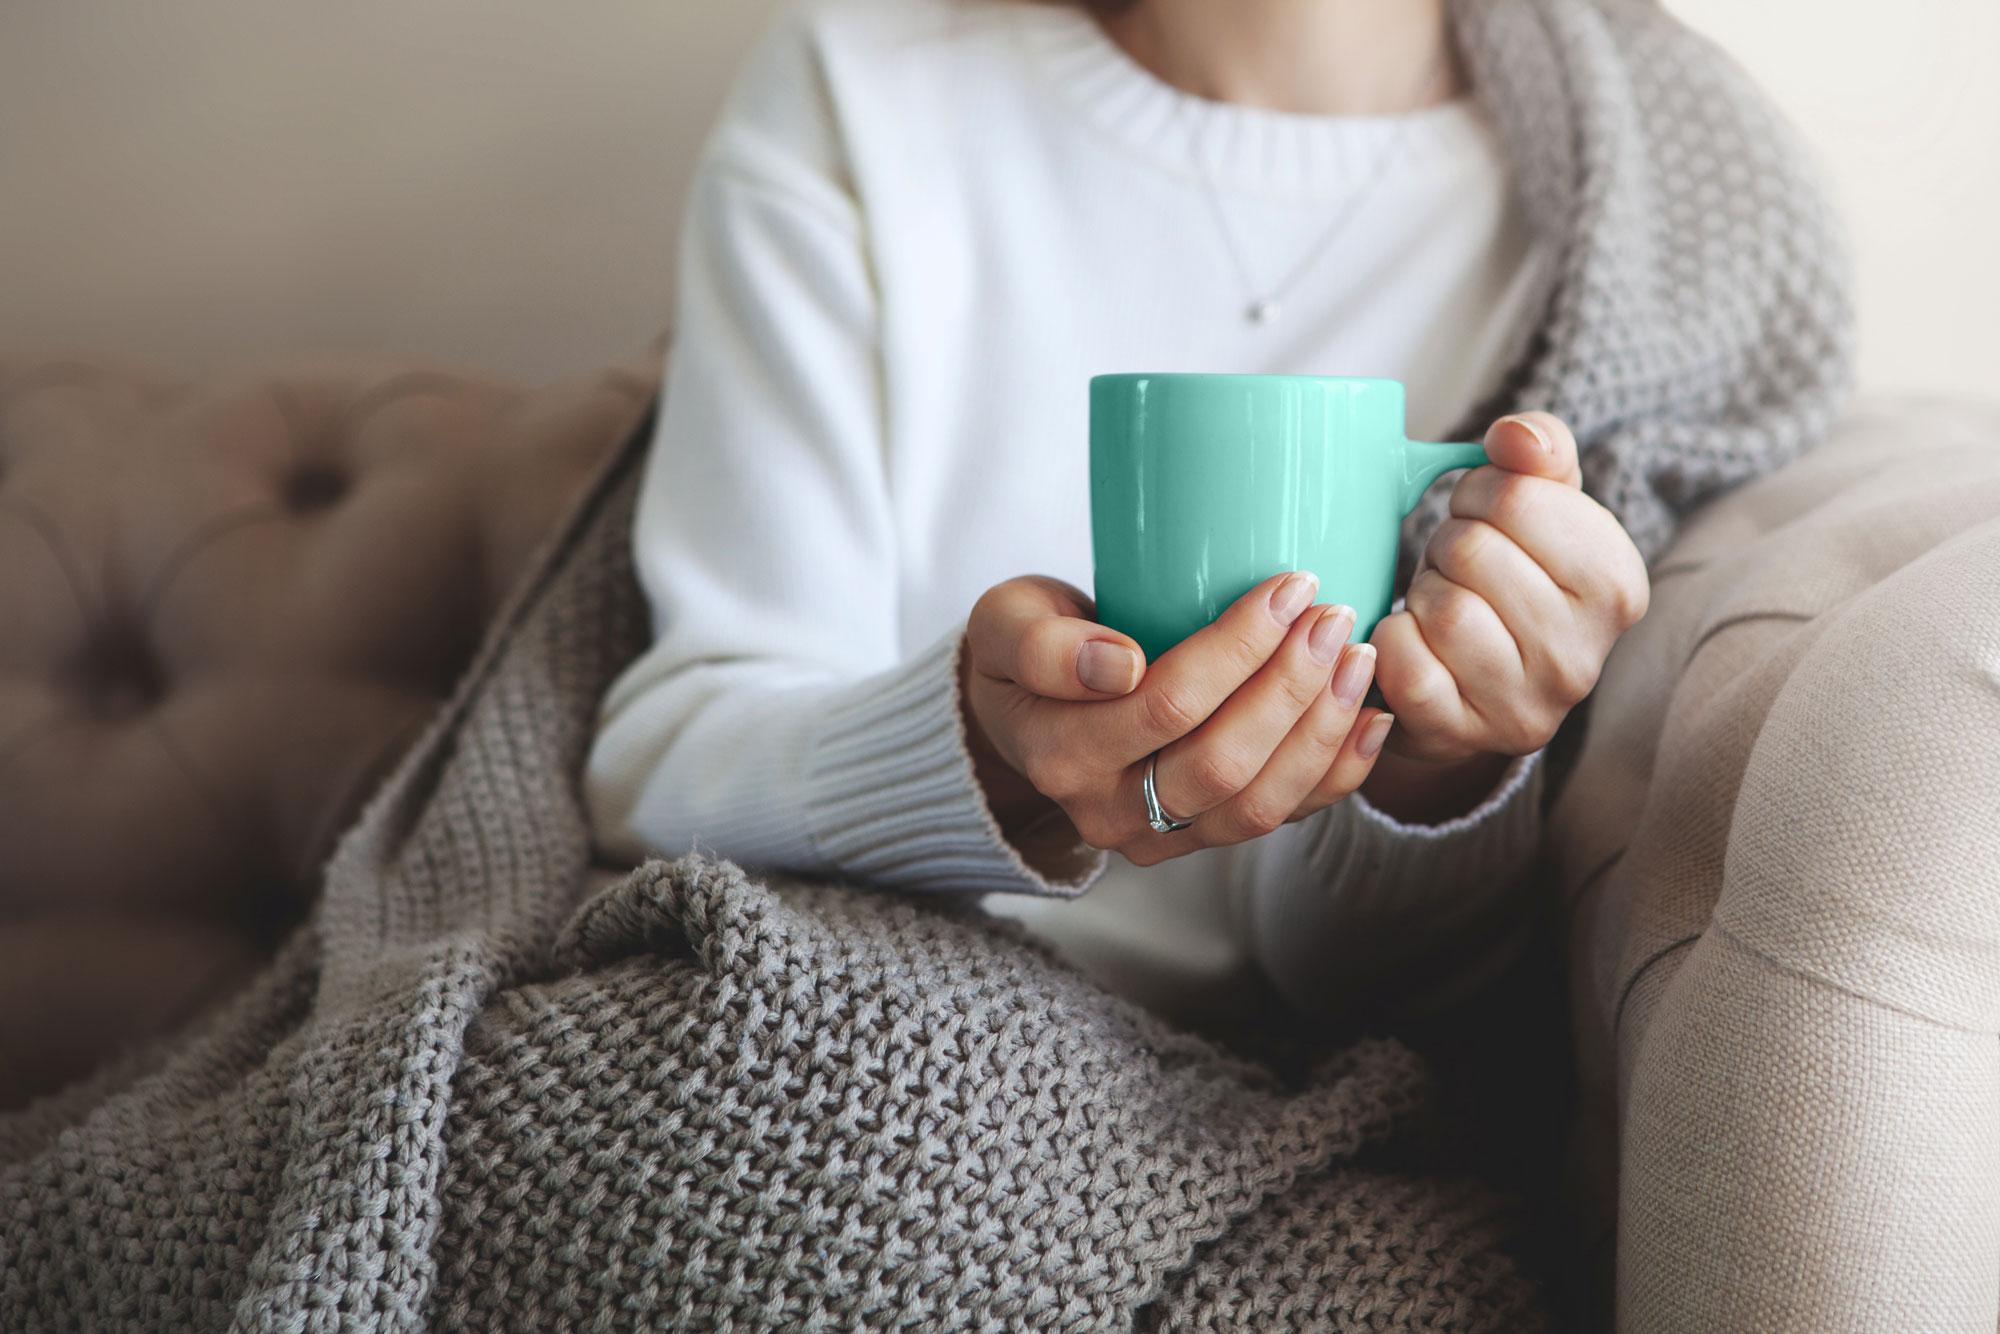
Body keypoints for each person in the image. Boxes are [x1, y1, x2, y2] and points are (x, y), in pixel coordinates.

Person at [584, 0, 1837, 1029]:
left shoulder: (1669, 225)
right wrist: (976, 753)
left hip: (1290, 1106)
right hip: (826, 1016)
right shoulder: (858, 93)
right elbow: (660, 763)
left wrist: (1431, 769)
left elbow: (1392, 1006)